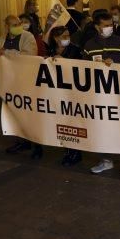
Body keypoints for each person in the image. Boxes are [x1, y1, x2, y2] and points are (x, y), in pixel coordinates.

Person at [82, 12, 120, 176]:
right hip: (99, 94)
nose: (109, 28)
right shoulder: (89, 45)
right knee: (102, 127)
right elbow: (82, 67)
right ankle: (106, 160)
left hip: (119, 94)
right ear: (97, 27)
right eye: (105, 25)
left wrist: (115, 63)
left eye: (110, 24)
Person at [0, 15, 39, 156]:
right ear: (6, 27)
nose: (17, 26)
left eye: (18, 24)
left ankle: (36, 145)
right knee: (14, 114)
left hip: (26, 81)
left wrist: (8, 53)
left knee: (30, 114)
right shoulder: (3, 39)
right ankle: (21, 141)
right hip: (10, 82)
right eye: (13, 24)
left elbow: (30, 56)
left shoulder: (28, 37)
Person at [46, 26, 82, 166]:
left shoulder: (75, 49)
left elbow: (81, 67)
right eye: (64, 36)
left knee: (72, 122)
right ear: (56, 38)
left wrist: (64, 61)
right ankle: (68, 150)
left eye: (68, 35)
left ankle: (75, 152)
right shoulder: (50, 50)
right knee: (62, 121)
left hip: (72, 92)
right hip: (57, 92)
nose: (67, 38)